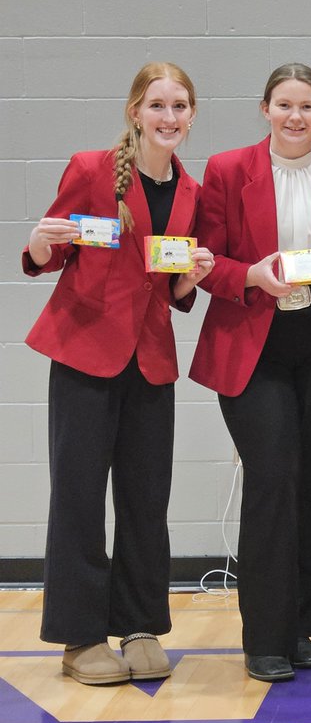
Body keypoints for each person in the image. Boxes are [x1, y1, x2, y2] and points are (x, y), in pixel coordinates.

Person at [23, 62, 213, 685]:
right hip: (85, 353)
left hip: (151, 360)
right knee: (78, 497)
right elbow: (47, 252)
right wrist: (40, 242)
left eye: (180, 106)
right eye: (157, 105)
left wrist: (192, 279)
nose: (169, 117)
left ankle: (139, 624)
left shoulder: (191, 191)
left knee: (144, 499)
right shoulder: (90, 168)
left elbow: (172, 290)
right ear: (135, 111)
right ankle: (79, 639)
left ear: (191, 115)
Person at [190, 63, 311, 683]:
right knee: (273, 479)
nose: (296, 116)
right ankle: (263, 635)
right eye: (285, 105)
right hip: (253, 340)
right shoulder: (225, 170)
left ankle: (298, 628)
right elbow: (205, 261)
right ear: (264, 108)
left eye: (308, 106)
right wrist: (249, 276)